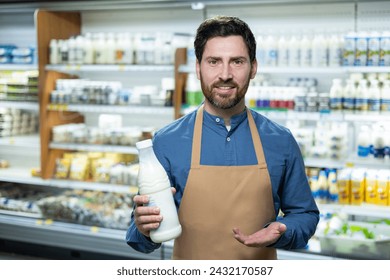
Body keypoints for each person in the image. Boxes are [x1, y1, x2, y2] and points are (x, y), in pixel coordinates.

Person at [126, 15, 319, 260]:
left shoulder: (280, 140)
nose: (225, 74)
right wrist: (143, 229)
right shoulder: (166, 142)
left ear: (253, 67)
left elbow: (305, 215)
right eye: (214, 61)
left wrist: (284, 230)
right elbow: (138, 236)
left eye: (237, 62)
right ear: (198, 68)